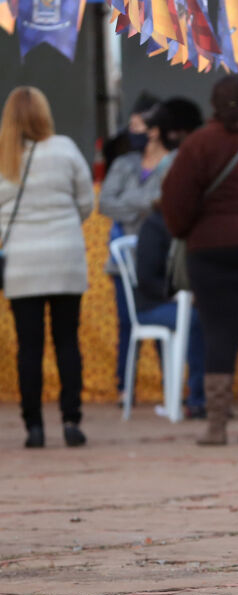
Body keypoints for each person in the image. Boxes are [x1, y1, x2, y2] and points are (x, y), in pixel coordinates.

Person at [161, 74, 238, 446]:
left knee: (216, 333)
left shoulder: (197, 145)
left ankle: (216, 426)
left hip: (209, 251)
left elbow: (175, 203)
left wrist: (190, 229)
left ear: (212, 104)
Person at [0, 86, 94, 448]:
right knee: (67, 341)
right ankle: (71, 422)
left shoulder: (4, 155)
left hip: (22, 265)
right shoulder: (65, 149)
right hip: (66, 259)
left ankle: (34, 428)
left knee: (29, 347)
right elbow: (85, 203)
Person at [99, 103, 178, 399]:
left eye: (137, 127)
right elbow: (105, 203)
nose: (130, 134)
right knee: (126, 324)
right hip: (121, 262)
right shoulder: (123, 163)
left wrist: (130, 204)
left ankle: (169, 389)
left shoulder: (174, 161)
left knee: (164, 321)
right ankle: (124, 388)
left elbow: (168, 202)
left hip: (160, 259)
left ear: (154, 131)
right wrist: (146, 204)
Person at [134, 202, 207, 418]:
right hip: (152, 304)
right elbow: (145, 279)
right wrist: (177, 295)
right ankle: (197, 399)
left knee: (209, 318)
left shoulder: (191, 225)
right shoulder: (154, 226)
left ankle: (201, 396)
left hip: (179, 302)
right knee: (196, 321)